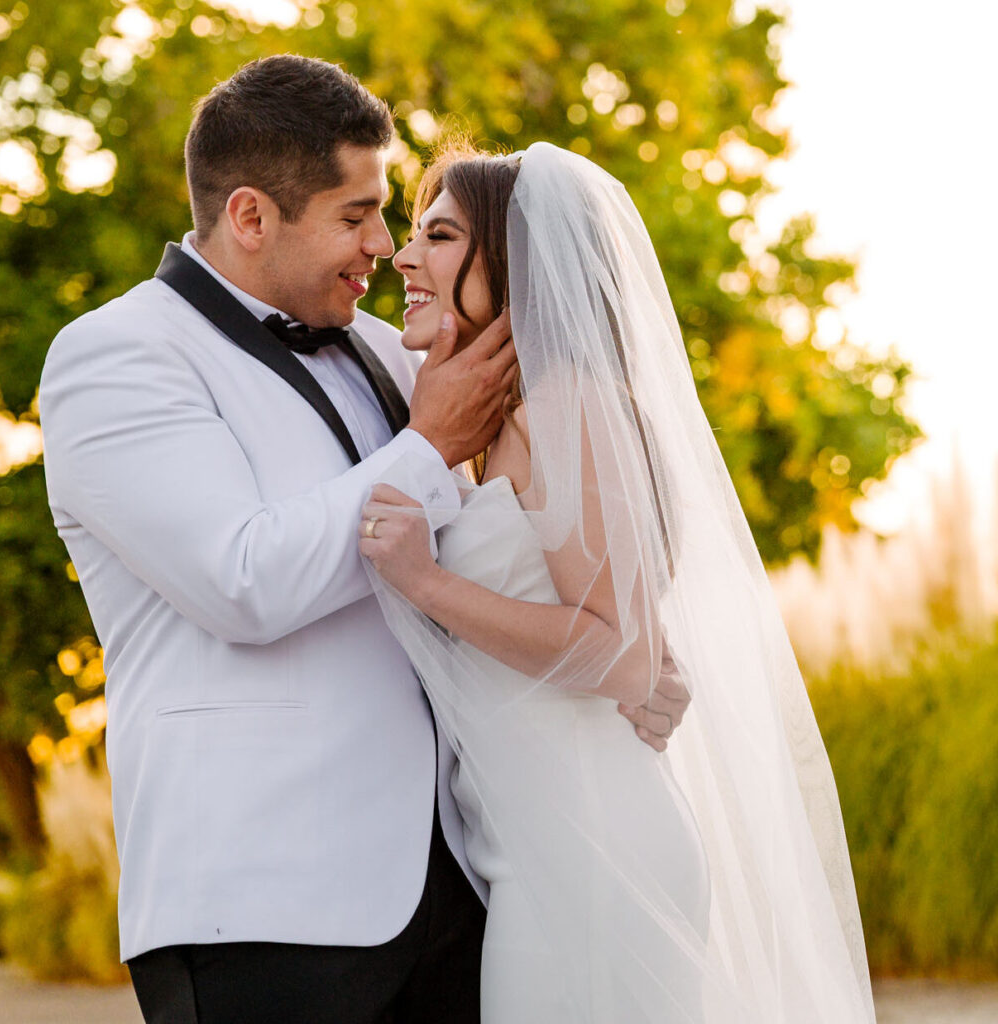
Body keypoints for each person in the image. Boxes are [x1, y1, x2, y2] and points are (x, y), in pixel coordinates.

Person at [40, 55, 684, 1023]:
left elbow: (561, 505)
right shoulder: (116, 357)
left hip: (468, 875)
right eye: (356, 215)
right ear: (251, 216)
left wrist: (630, 652)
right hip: (266, 908)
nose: (383, 247)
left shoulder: (392, 350)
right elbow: (241, 580)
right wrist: (425, 445)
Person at [359, 140, 877, 1022]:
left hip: (597, 851)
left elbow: (624, 652)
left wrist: (426, 582)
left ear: (519, 263)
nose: (402, 257)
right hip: (541, 850)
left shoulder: (570, 401)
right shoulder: (506, 422)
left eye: (438, 236)